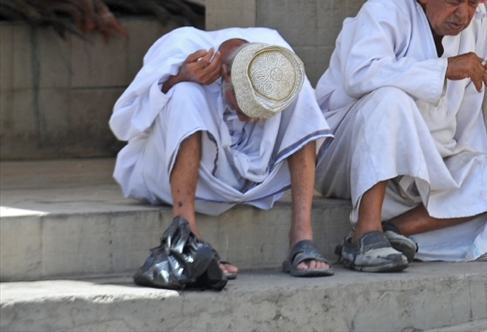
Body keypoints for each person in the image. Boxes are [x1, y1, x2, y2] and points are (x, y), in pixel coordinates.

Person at [314, 0, 487, 272]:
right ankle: (365, 233)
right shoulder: (386, 8)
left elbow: (467, 119)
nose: (463, 14)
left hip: (424, 168)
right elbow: (359, 75)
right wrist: (444, 69)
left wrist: (464, 175)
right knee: (389, 100)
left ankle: (392, 232)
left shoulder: (474, 27)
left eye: (473, 2)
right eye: (454, 1)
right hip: (348, 159)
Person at [109, 27, 334, 280]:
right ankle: (189, 239)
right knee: (183, 94)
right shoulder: (180, 45)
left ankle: (301, 234)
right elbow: (122, 125)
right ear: (225, 74)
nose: (247, 118)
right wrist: (176, 79)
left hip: (253, 180)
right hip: (167, 175)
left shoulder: (273, 51)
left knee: (299, 87)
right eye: (243, 108)